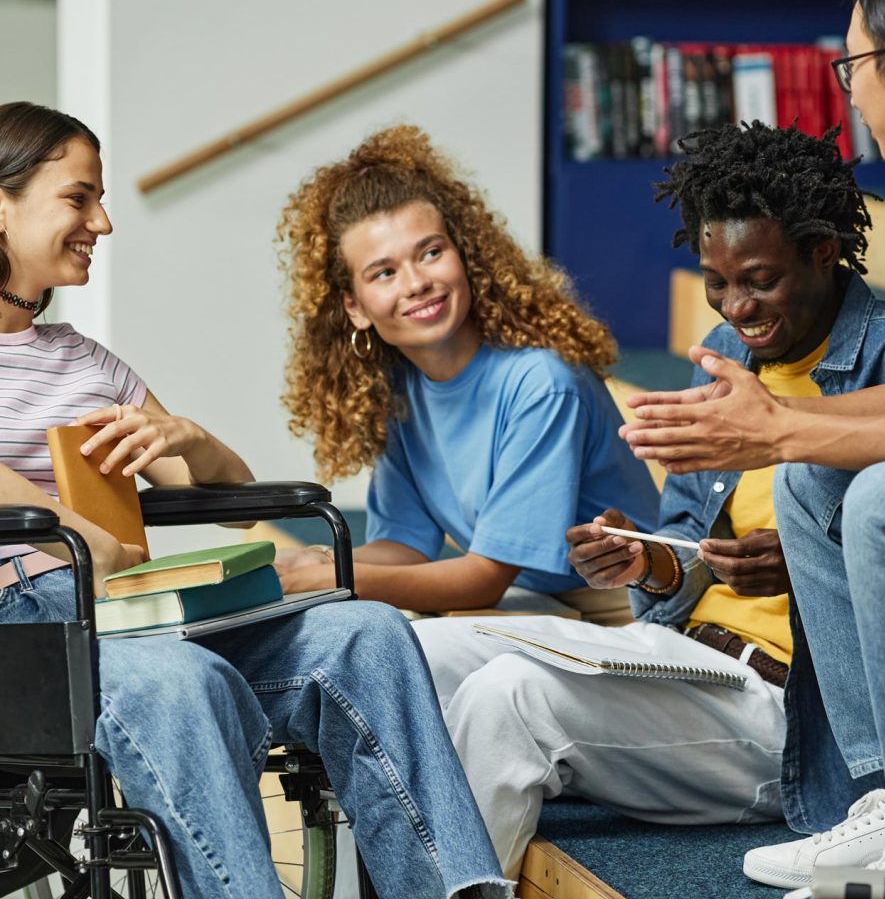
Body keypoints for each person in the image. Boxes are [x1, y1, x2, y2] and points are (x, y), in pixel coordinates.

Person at [0, 101, 512, 899]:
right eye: (79, 197)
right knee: (181, 683)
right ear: (3, 202)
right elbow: (80, 545)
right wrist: (79, 533)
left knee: (365, 635)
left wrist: (184, 439)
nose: (102, 221)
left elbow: (233, 500)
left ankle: (452, 890)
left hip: (123, 617)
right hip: (26, 640)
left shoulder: (83, 360)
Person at [412, 120, 885, 879]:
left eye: (760, 278)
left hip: (788, 710)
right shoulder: (724, 358)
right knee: (413, 651)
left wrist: (797, 565)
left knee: (509, 696)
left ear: (823, 250)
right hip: (686, 657)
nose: (736, 307)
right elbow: (685, 543)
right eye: (716, 281)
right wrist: (646, 559)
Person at [620, 0, 885, 894]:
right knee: (813, 481)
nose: (848, 91)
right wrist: (773, 424)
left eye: (852, 65)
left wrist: (778, 427)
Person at [274, 125, 659, 621]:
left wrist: (337, 576)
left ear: (465, 255)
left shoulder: (541, 382)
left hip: (624, 607)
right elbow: (404, 546)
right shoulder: (398, 388)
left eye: (431, 252)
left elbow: (481, 581)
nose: (417, 283)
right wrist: (313, 561)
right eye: (384, 273)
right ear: (355, 307)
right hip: (535, 600)